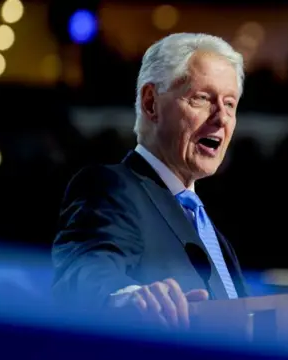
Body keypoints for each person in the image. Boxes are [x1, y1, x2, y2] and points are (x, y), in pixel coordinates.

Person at [52, 33, 249, 329]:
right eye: (202, 98)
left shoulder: (213, 234)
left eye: (230, 104)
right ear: (150, 103)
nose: (221, 117)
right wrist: (126, 298)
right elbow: (85, 269)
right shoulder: (113, 188)